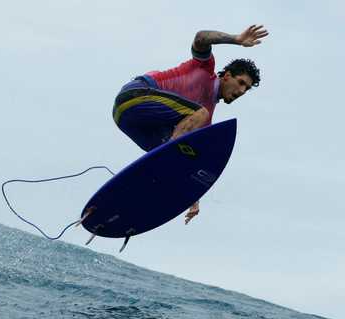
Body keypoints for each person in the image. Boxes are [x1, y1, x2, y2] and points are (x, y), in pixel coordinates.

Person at [113, 25, 268, 224]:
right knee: (190, 127)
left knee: (182, 151)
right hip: (135, 96)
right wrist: (236, 39)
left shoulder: (200, 121)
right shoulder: (203, 69)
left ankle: (133, 197)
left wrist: (192, 198)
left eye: (246, 88)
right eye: (240, 82)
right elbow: (201, 37)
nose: (242, 91)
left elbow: (190, 161)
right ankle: (165, 158)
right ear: (227, 75)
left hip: (125, 120)